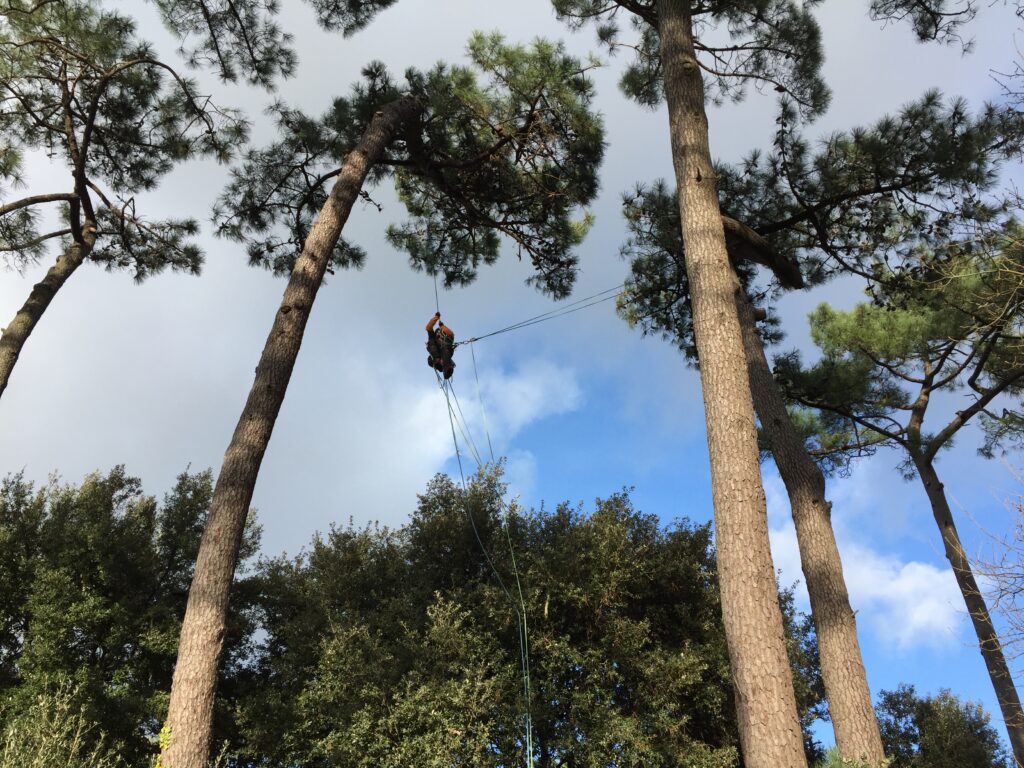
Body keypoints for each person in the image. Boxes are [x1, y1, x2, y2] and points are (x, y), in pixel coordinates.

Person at [425, 311, 456, 379]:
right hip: (436, 356)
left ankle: (447, 368)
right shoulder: (433, 338)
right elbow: (428, 328)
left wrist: (442, 326)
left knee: (446, 351)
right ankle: (440, 363)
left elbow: (450, 334)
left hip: (445, 353)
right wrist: (436, 318)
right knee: (432, 345)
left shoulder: (447, 339)